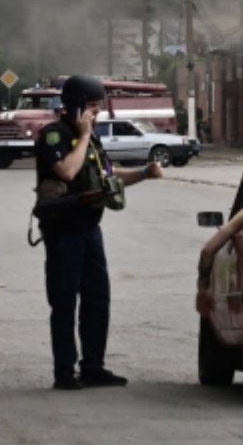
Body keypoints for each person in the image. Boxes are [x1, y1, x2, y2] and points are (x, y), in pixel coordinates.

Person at [36, 74, 166, 390]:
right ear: (77, 107)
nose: (98, 113)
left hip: (90, 229)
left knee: (98, 300)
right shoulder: (54, 136)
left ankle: (93, 365)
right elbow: (67, 171)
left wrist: (144, 174)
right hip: (63, 230)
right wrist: (82, 136)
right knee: (65, 301)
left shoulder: (90, 139)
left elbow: (108, 174)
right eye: (93, 107)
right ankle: (64, 371)